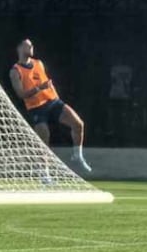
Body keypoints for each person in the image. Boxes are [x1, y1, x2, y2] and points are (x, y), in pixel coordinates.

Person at [9, 39, 90, 172]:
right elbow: (21, 94)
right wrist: (38, 88)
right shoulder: (15, 71)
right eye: (27, 45)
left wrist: (56, 99)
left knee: (78, 124)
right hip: (36, 108)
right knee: (44, 139)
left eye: (31, 45)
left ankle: (77, 155)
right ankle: (44, 172)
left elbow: (47, 82)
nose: (31, 47)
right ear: (19, 48)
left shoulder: (38, 63)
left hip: (52, 102)